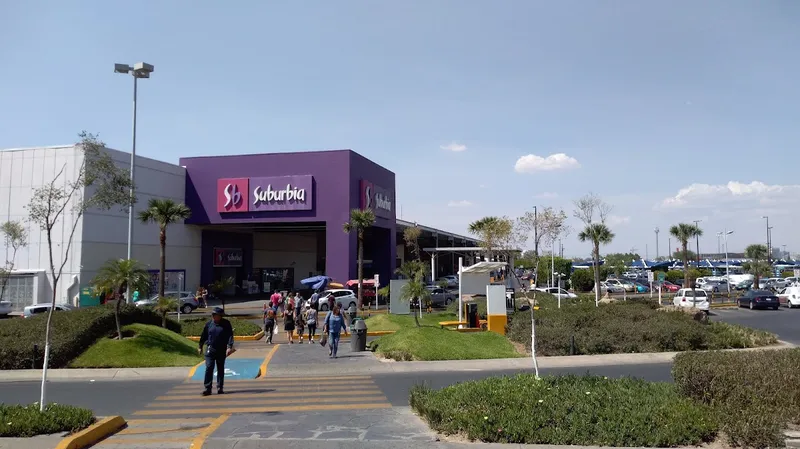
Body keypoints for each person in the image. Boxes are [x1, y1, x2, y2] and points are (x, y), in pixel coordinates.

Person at [198, 307, 234, 396]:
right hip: (211, 349)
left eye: (216, 315)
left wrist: (229, 347)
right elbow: (204, 336)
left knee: (220, 368)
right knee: (209, 367)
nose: (214, 317)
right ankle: (207, 388)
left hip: (221, 350)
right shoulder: (209, 324)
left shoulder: (226, 324)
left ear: (220, 316)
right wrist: (200, 346)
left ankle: (220, 387)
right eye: (213, 315)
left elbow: (230, 335)